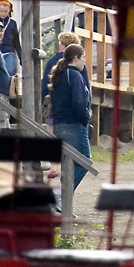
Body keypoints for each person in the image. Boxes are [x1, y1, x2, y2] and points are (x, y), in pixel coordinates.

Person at [45, 43, 93, 190]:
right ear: (76, 58)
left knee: (68, 164)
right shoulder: (75, 76)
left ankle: (64, 204)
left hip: (59, 124)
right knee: (84, 161)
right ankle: (60, 193)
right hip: (73, 125)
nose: (85, 61)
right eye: (83, 57)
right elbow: (78, 101)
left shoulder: (60, 75)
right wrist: (86, 117)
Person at [0, 0, 22, 78]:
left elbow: (16, 42)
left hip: (8, 52)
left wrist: (21, 57)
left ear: (9, 11)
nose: (3, 13)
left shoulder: (12, 23)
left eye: (5, 11)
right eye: (1, 11)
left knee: (9, 71)